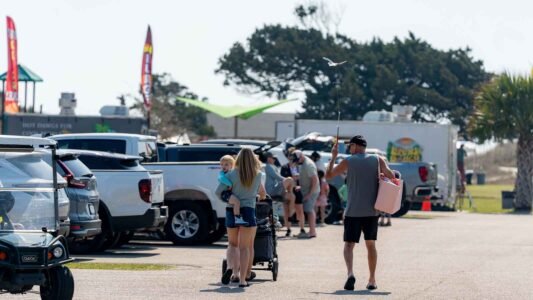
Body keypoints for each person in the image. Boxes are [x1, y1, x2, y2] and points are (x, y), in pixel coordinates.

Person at [326, 135, 395, 291]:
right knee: (370, 244)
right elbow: (391, 176)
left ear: (356, 146)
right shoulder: (378, 159)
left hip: (352, 211)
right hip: (372, 211)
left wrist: (333, 157)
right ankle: (372, 279)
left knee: (349, 245)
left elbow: (329, 176)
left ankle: (350, 274)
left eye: (350, 146)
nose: (350, 149)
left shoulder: (348, 161)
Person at [217, 148, 266, 288]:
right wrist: (257, 196)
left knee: (233, 244)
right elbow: (262, 194)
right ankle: (243, 280)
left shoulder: (231, 174)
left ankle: (232, 270)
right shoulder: (258, 175)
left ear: (237, 159)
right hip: (248, 210)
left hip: (231, 210)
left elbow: (219, 192)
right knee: (245, 247)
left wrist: (232, 199)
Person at [290, 150, 320, 239]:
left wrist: (309, 194)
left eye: (297, 160)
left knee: (309, 210)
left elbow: (315, 180)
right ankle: (310, 231)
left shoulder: (308, 165)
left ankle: (312, 232)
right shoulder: (301, 162)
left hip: (312, 191)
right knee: (307, 210)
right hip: (305, 190)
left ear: (301, 156)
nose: (296, 162)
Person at [264, 152, 294, 235]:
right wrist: (287, 180)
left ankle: (289, 227)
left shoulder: (273, 167)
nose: (274, 160)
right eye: (273, 158)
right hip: (271, 191)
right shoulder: (268, 167)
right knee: (289, 180)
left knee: (289, 200)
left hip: (276, 188)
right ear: (268, 158)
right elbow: (277, 177)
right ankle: (288, 193)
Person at [219, 155, 248, 226]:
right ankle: (237, 218)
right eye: (222, 164)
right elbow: (220, 179)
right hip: (225, 194)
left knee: (237, 202)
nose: (223, 166)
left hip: (228, 193)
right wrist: (230, 184)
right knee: (237, 202)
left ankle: (238, 218)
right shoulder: (222, 173)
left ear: (232, 165)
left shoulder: (231, 173)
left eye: (226, 164)